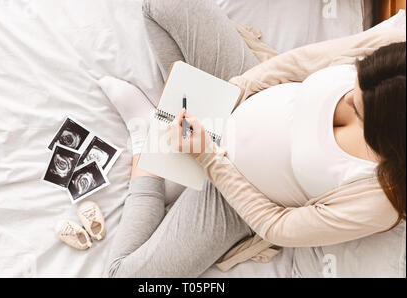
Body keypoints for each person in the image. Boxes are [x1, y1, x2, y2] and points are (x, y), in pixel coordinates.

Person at [99, 0, 406, 277]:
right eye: (355, 84)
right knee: (160, 5)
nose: (350, 97)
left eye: (360, 110)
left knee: (125, 277)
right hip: (244, 91)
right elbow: (298, 64)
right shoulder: (394, 59)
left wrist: (208, 158)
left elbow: (278, 227)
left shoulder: (381, 199)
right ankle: (173, 129)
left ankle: (146, 141)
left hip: (234, 197)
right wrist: (225, 96)